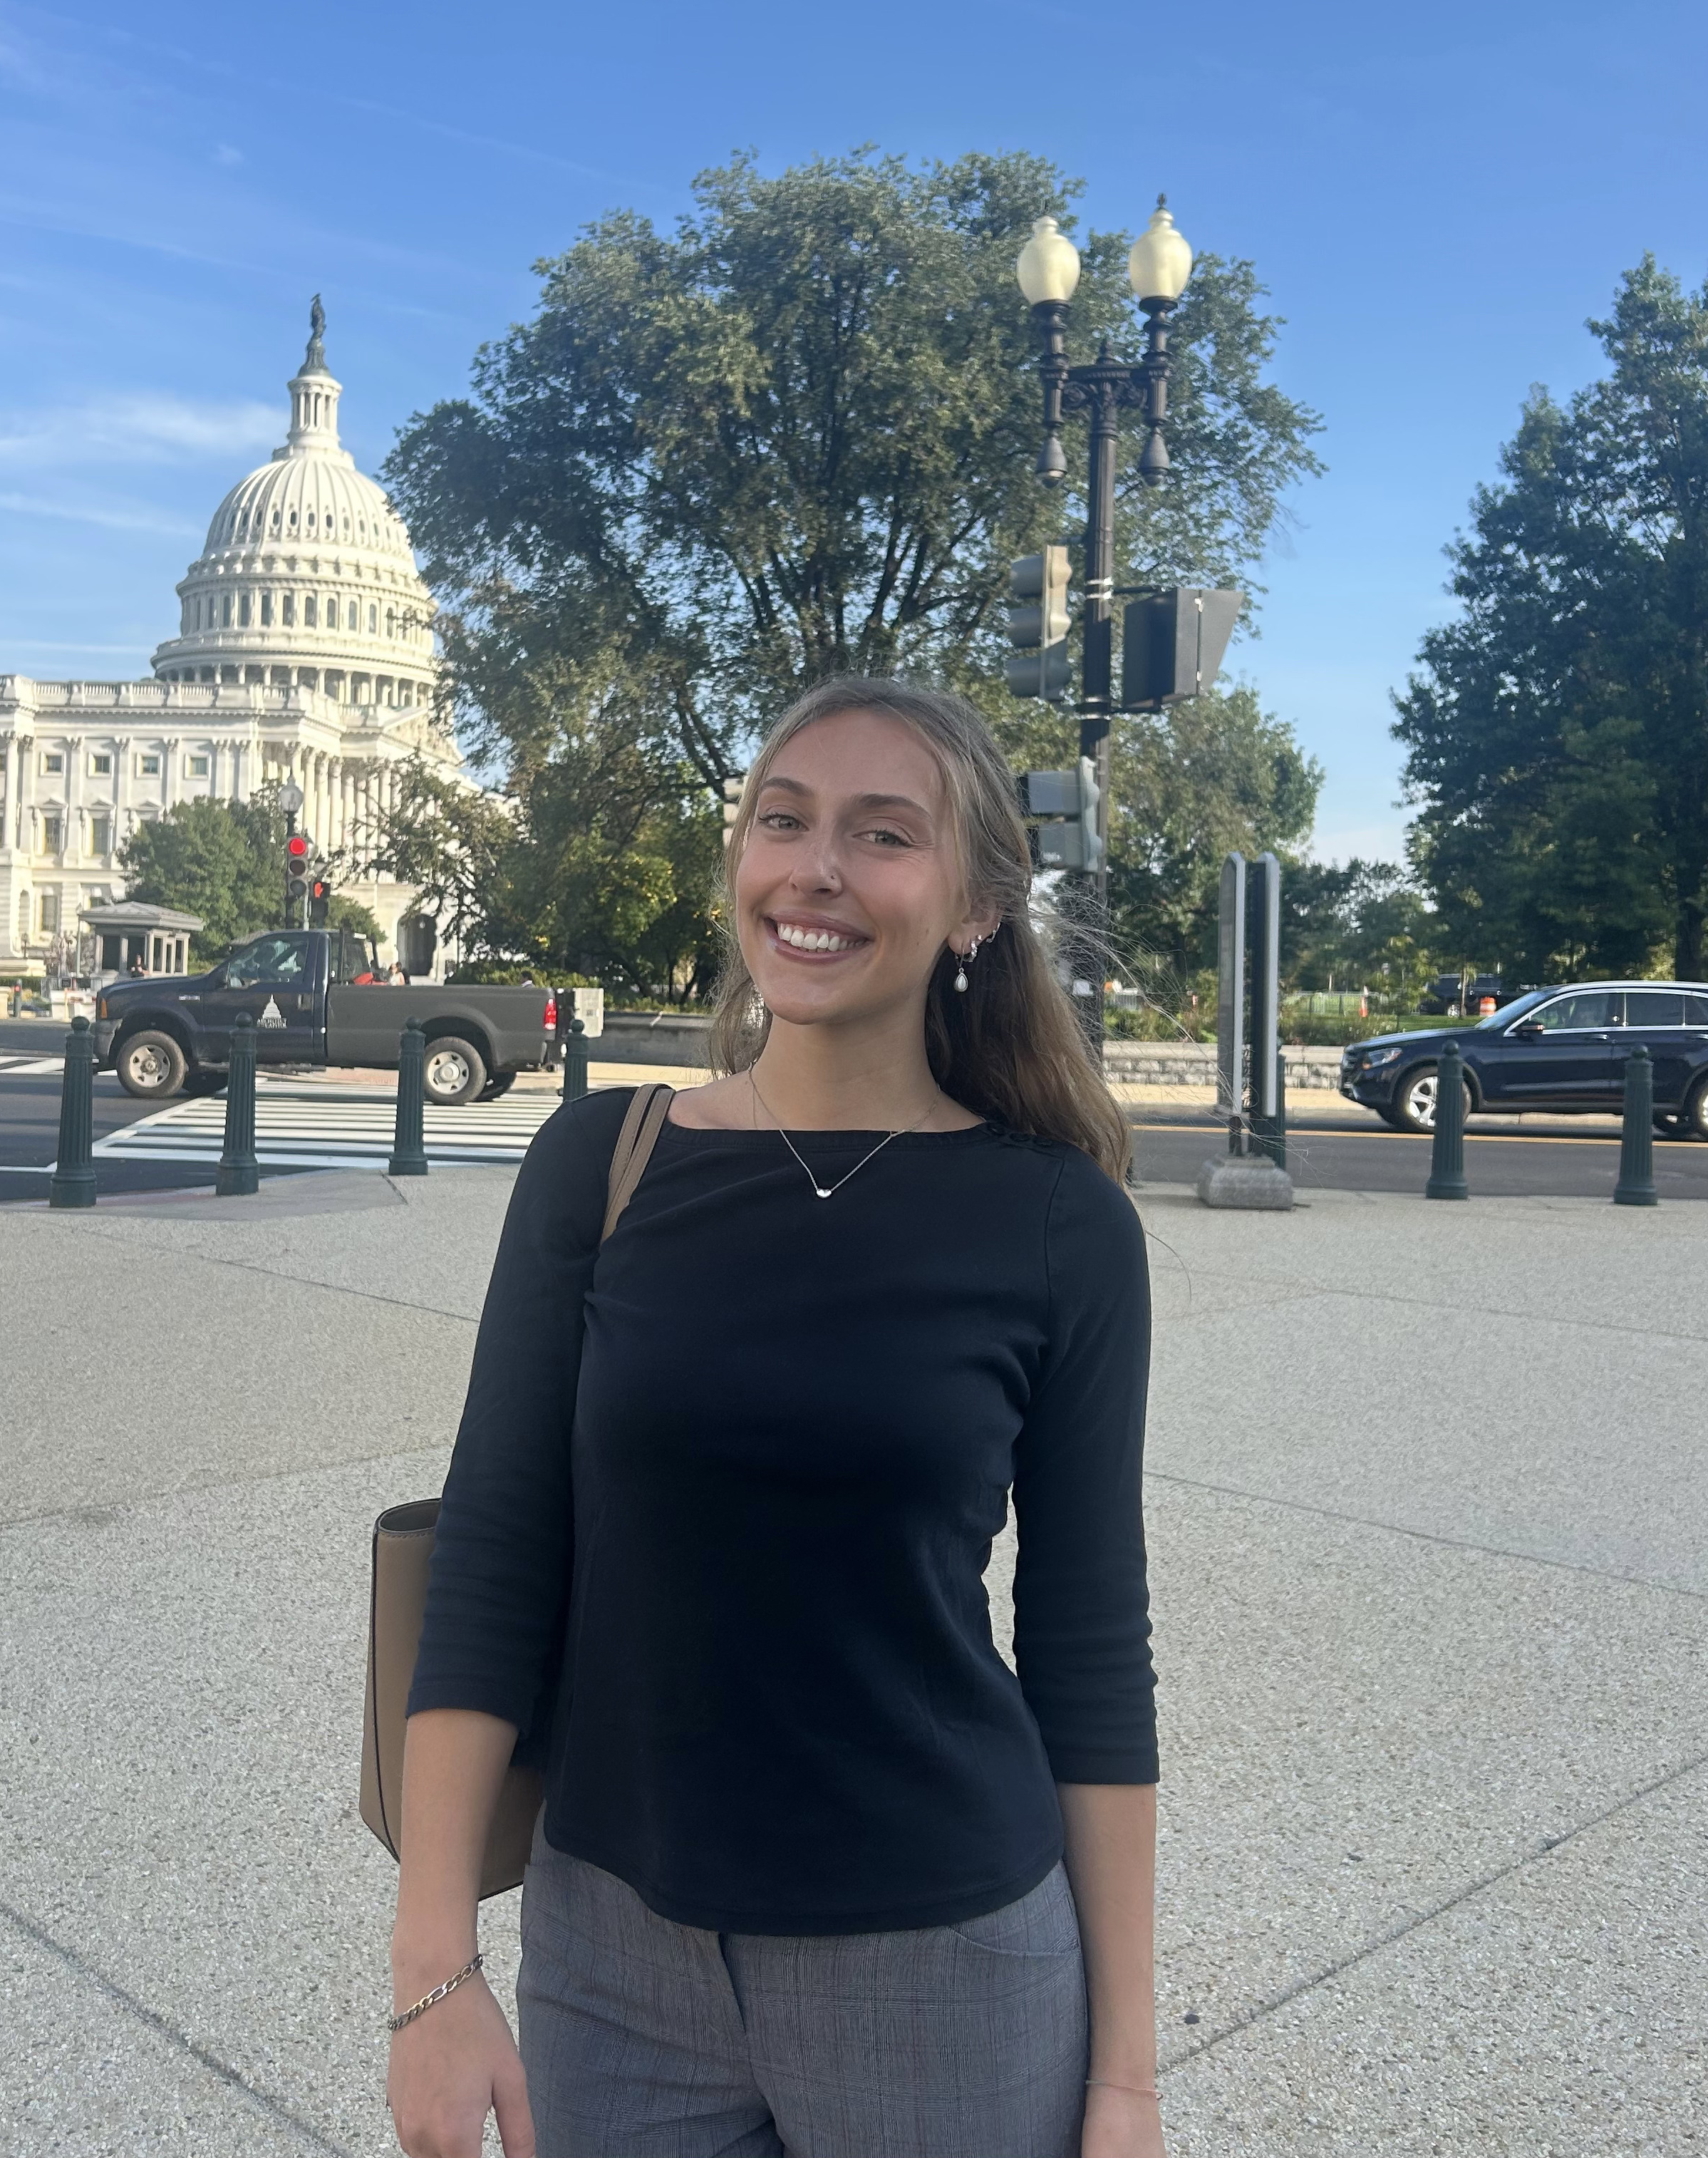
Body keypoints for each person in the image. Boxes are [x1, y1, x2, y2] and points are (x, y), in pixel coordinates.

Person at [387, 678, 1161, 2158]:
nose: (815, 869)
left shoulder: (1059, 1219)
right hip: (610, 1949)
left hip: (941, 1957)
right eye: (782, 819)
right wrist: (435, 1969)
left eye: (883, 834)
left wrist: (1125, 2075)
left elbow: (1090, 1648)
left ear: (978, 903)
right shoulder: (600, 1162)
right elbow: (494, 1556)